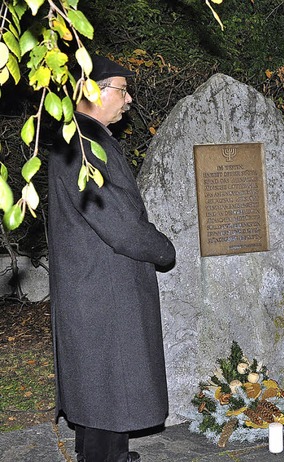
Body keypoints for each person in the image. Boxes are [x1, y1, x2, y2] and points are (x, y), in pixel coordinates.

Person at [48, 55, 176, 462]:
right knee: (105, 380)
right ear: (92, 91)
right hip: (102, 289)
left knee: (102, 382)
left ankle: (111, 454)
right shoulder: (85, 144)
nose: (129, 99)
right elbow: (117, 221)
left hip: (94, 282)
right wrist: (162, 248)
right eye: (121, 89)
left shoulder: (79, 137)